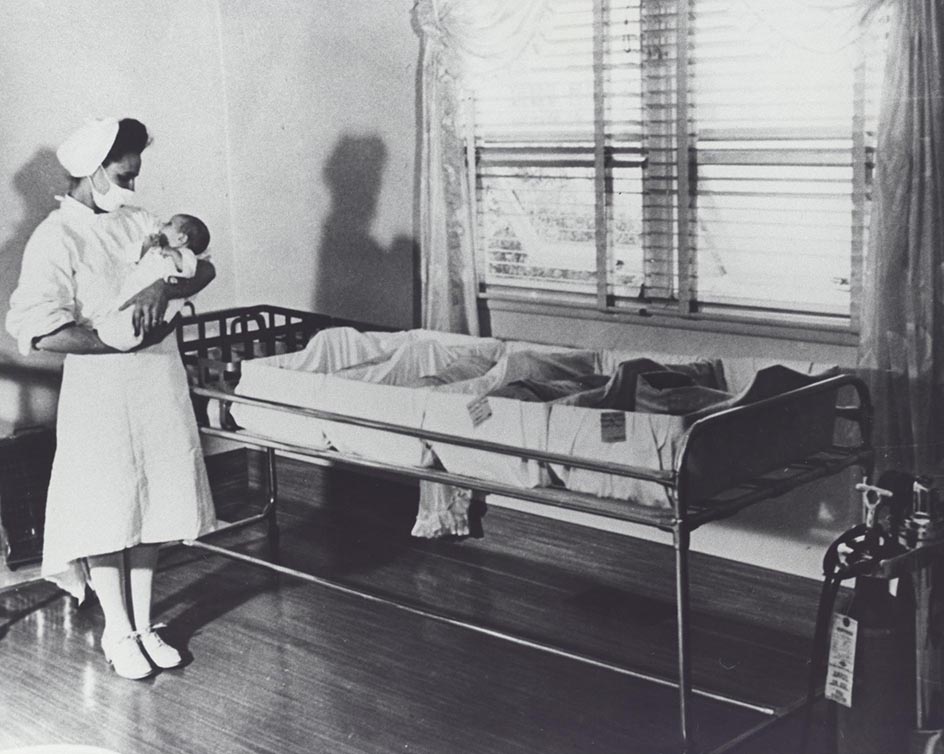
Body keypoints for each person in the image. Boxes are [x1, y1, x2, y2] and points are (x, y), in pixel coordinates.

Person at [5, 117, 218, 680]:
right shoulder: (58, 236)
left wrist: (161, 285)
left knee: (151, 502)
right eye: (125, 174)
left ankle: (146, 623)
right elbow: (34, 328)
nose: (134, 184)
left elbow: (202, 266)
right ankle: (118, 630)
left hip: (157, 379)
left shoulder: (141, 221)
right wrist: (108, 342)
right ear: (93, 170)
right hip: (101, 387)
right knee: (108, 507)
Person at [95, 213, 210, 351]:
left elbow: (188, 270)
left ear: (182, 238)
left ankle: (129, 336)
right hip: (135, 287)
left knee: (139, 316)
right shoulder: (156, 249)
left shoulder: (186, 254)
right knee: (120, 308)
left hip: (155, 300)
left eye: (168, 224)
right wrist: (146, 246)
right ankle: (113, 330)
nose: (162, 225)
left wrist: (172, 253)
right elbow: (129, 260)